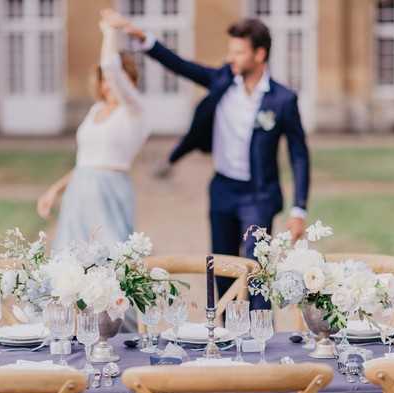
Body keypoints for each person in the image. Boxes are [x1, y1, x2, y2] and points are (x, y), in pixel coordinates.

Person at [103, 11, 311, 310]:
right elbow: (180, 66)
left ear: (259, 54)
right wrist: (141, 37)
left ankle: (259, 340)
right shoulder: (222, 80)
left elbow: (299, 155)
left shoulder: (282, 99)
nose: (231, 57)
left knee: (256, 272)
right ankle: (225, 337)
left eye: (239, 52)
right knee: (223, 269)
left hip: (259, 196)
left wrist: (299, 209)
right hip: (222, 190)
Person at [37, 16, 148, 260]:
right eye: (105, 81)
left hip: (110, 192)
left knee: (111, 262)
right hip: (78, 192)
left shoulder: (134, 111)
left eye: (116, 80)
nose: (109, 86)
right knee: (70, 262)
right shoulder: (95, 110)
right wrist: (55, 190)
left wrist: (109, 32)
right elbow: (84, 162)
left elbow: (111, 67)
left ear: (129, 82)